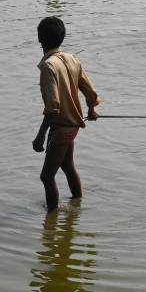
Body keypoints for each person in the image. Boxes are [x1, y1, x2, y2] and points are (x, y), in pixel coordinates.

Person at [32, 16, 100, 210]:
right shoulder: (71, 58)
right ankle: (77, 204)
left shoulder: (48, 66)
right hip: (73, 126)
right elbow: (88, 88)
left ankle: (51, 218)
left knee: (46, 177)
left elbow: (53, 106)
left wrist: (40, 135)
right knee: (68, 166)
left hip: (62, 128)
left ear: (39, 39)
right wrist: (91, 108)